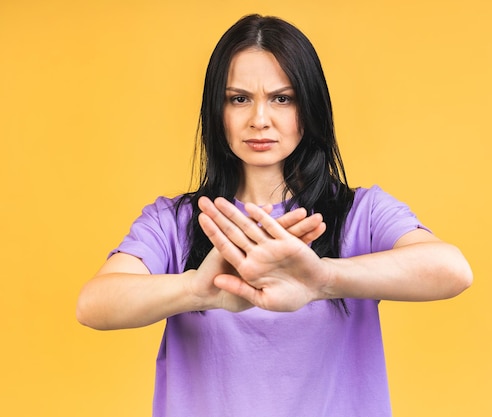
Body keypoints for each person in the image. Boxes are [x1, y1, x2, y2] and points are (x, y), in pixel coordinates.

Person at [76, 14, 472, 417]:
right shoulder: (175, 221)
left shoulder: (361, 213)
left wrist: (323, 280)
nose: (259, 119)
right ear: (217, 111)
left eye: (282, 98)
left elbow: (451, 270)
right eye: (239, 98)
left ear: (309, 107)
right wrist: (196, 290)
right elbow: (93, 305)